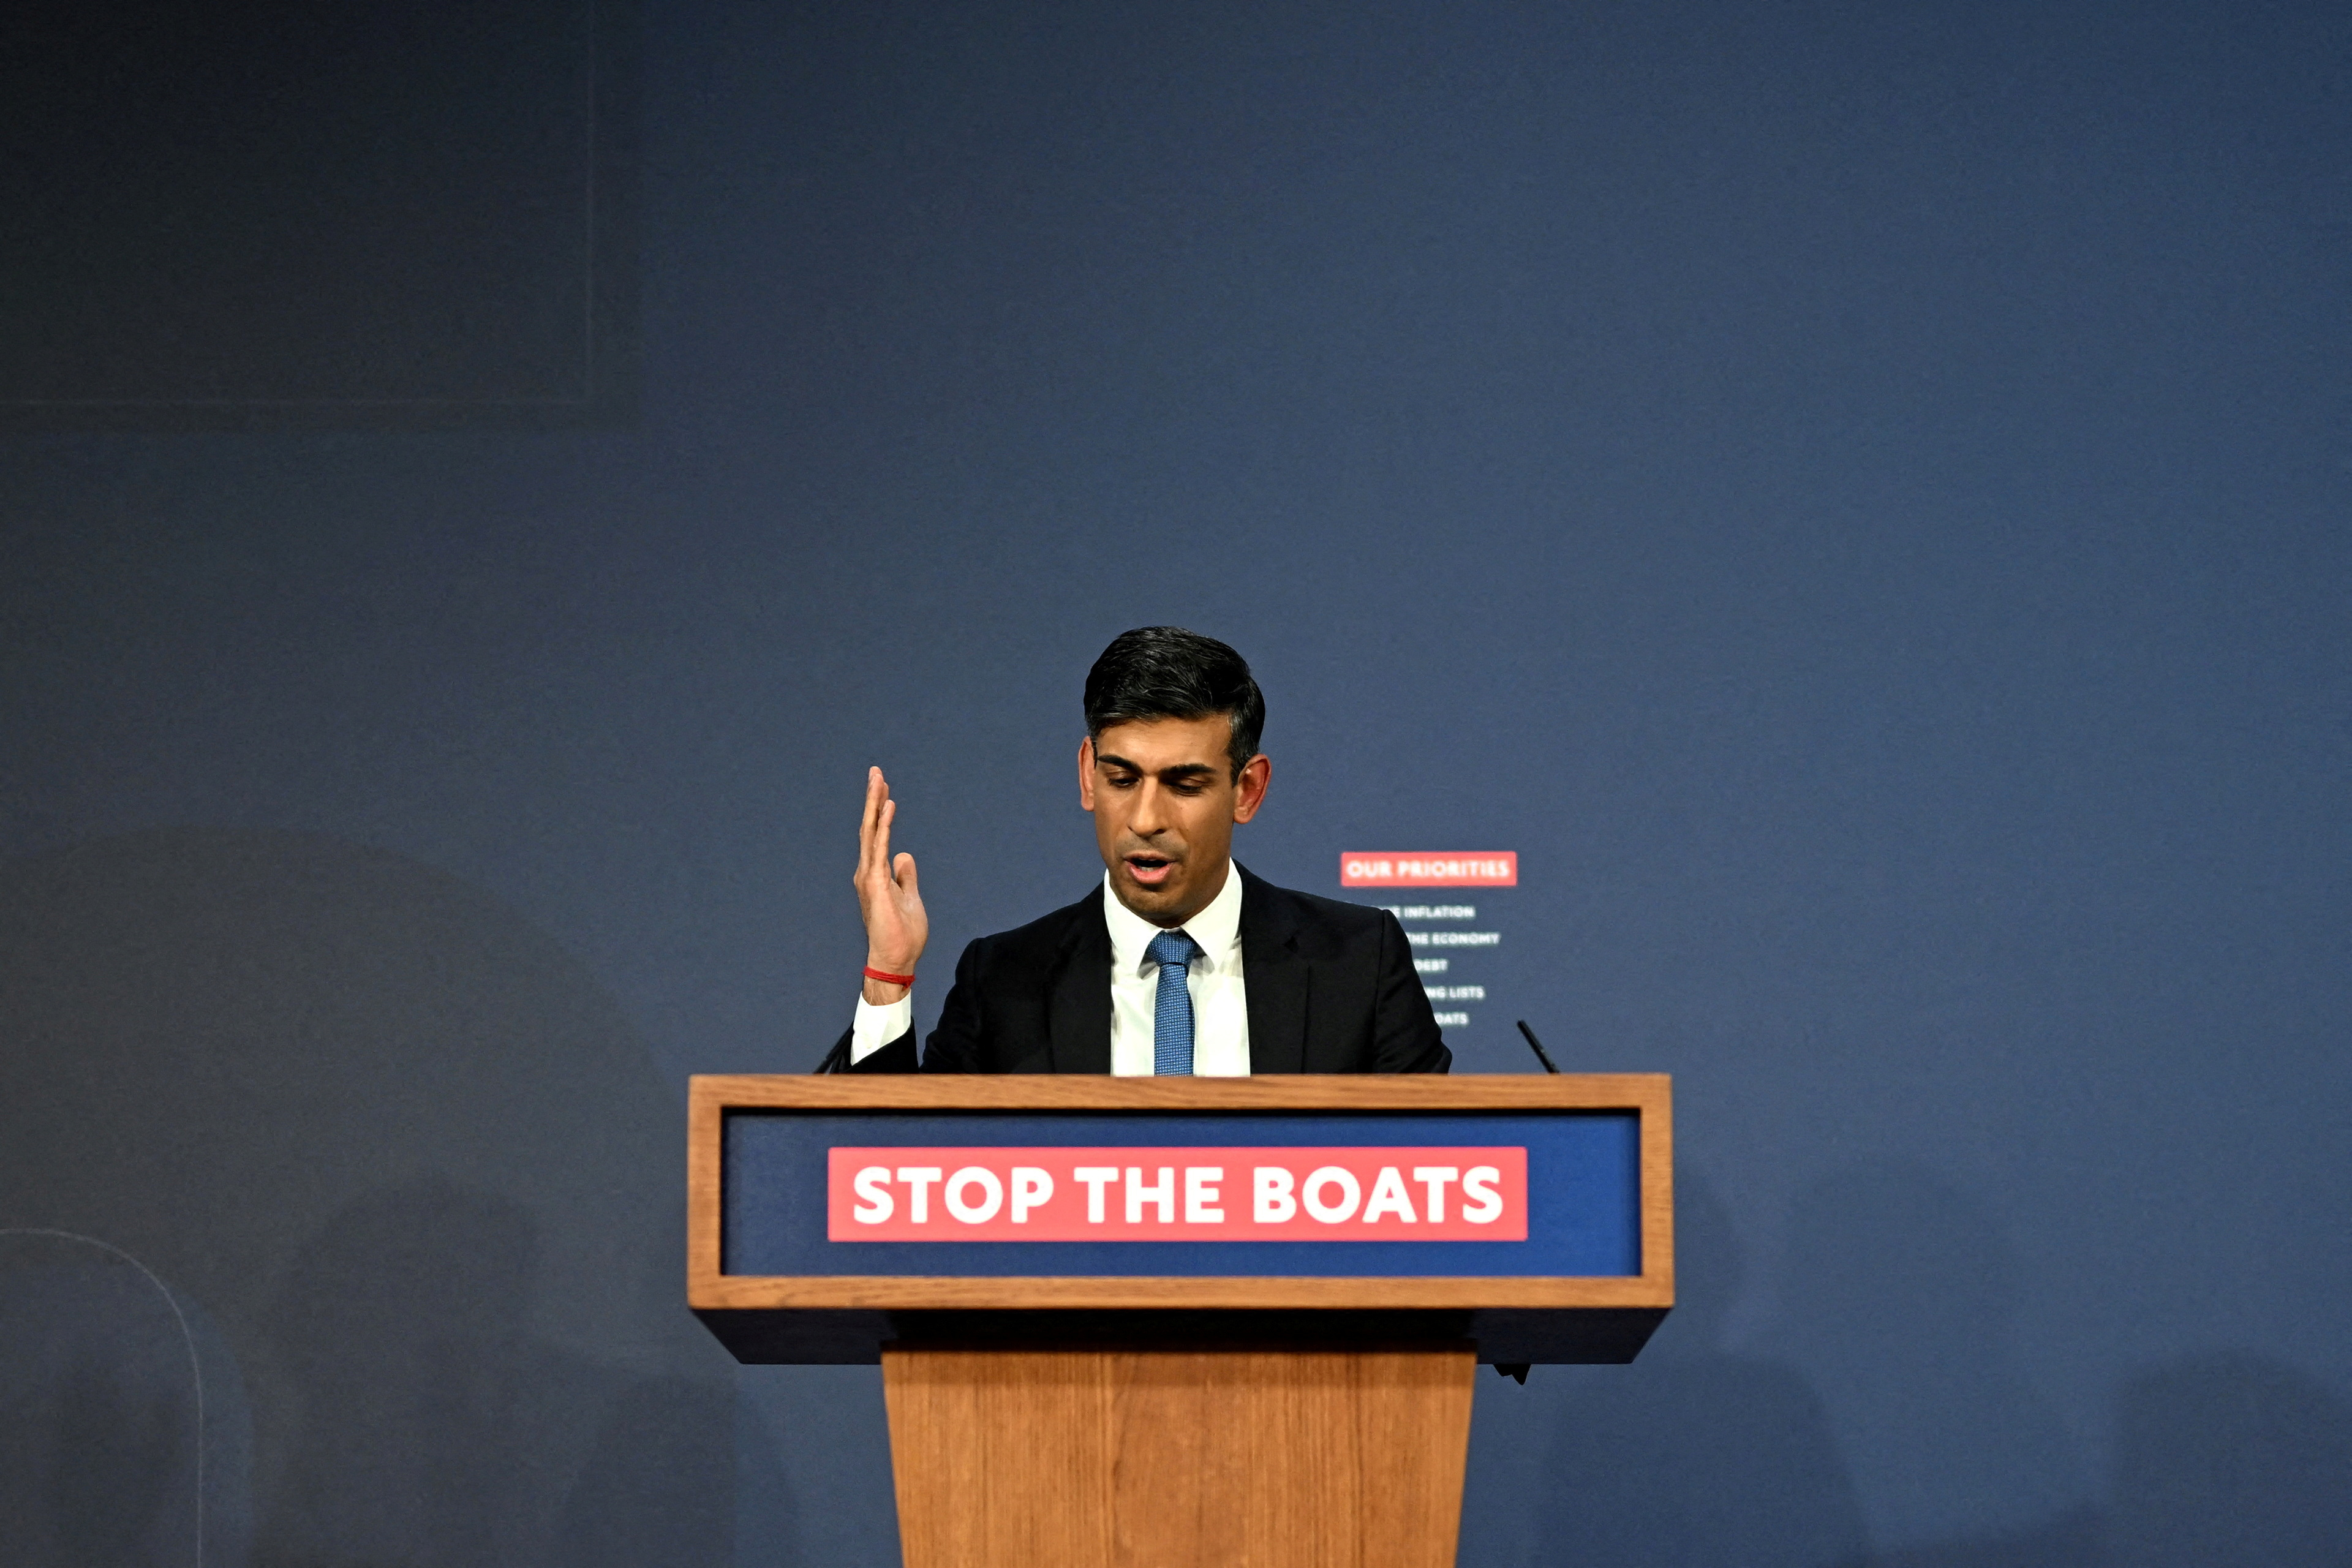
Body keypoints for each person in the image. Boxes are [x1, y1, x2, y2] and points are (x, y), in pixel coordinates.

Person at [818, 626, 1449, 1074]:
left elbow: (1432, 1181)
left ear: (1247, 789)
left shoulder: (1359, 965)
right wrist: (888, 976)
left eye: (1184, 783)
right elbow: (891, 1176)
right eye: (1123, 778)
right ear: (1088, 774)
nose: (1146, 819)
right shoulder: (1004, 980)